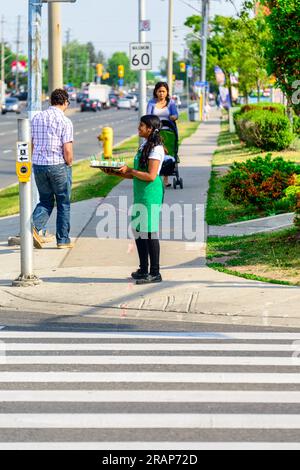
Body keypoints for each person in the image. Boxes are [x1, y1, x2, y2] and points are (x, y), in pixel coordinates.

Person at [103, 115, 164, 284]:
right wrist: (115, 172)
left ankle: (155, 272)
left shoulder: (156, 149)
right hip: (140, 191)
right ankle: (144, 269)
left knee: (149, 231)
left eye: (142, 126)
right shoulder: (145, 145)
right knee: (138, 229)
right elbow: (136, 173)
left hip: (150, 193)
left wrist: (130, 170)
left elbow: (151, 176)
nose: (139, 128)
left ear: (150, 129)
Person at [31, 88, 74, 249]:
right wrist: (69, 163)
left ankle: (32, 228)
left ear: (51, 101)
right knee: (63, 202)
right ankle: (63, 240)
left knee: (45, 200)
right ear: (65, 102)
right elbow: (67, 149)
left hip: (39, 165)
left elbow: (32, 143)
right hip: (58, 165)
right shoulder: (65, 121)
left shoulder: (36, 118)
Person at [146, 82, 178, 187]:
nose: (161, 93)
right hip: (155, 132)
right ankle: (155, 176)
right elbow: (148, 117)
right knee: (155, 153)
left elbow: (176, 114)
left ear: (167, 92)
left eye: (163, 91)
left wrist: (173, 117)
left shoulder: (171, 103)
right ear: (156, 92)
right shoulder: (151, 103)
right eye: (159, 91)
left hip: (169, 131)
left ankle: (166, 178)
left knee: (168, 152)